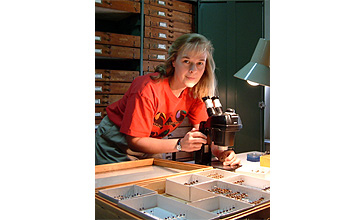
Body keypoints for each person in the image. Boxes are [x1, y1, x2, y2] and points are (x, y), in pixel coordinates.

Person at [95, 33, 241, 166]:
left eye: (200, 63)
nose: (193, 70)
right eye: (186, 61)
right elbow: (134, 140)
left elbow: (204, 131)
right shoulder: (147, 88)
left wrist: (221, 153)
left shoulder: (195, 92)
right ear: (173, 61)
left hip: (148, 141)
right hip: (115, 141)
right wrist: (179, 144)